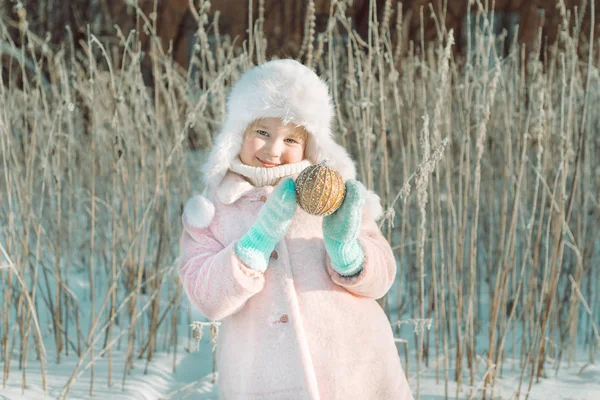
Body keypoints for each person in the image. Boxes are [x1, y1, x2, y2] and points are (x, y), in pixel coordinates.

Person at [179, 59, 413, 399]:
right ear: (237, 133)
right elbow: (206, 299)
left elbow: (383, 276)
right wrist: (253, 247)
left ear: (310, 144)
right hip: (263, 381)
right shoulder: (213, 210)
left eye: (291, 138)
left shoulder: (331, 194)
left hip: (354, 372)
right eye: (262, 132)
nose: (274, 149)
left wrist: (347, 253)